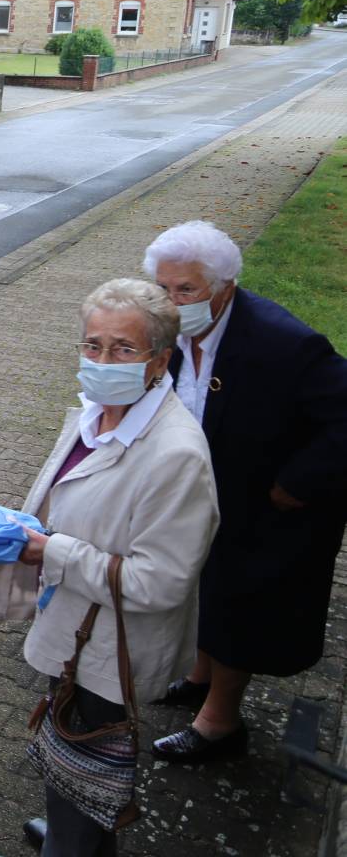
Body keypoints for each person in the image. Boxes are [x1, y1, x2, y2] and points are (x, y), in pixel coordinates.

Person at [0, 279, 218, 856]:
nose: (102, 361)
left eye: (123, 348)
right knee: (77, 766)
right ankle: (76, 835)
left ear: (159, 360)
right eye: (92, 345)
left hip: (111, 648)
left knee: (87, 762)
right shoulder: (97, 411)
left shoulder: (176, 455)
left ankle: (72, 841)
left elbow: (159, 582)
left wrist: (50, 551)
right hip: (74, 629)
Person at [142, 221, 347, 763]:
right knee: (203, 588)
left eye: (186, 289)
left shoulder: (284, 342)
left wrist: (297, 483)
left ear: (225, 286)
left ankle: (220, 724)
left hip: (266, 503)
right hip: (210, 492)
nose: (171, 301)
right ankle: (199, 675)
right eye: (162, 288)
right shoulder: (175, 331)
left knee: (239, 606)